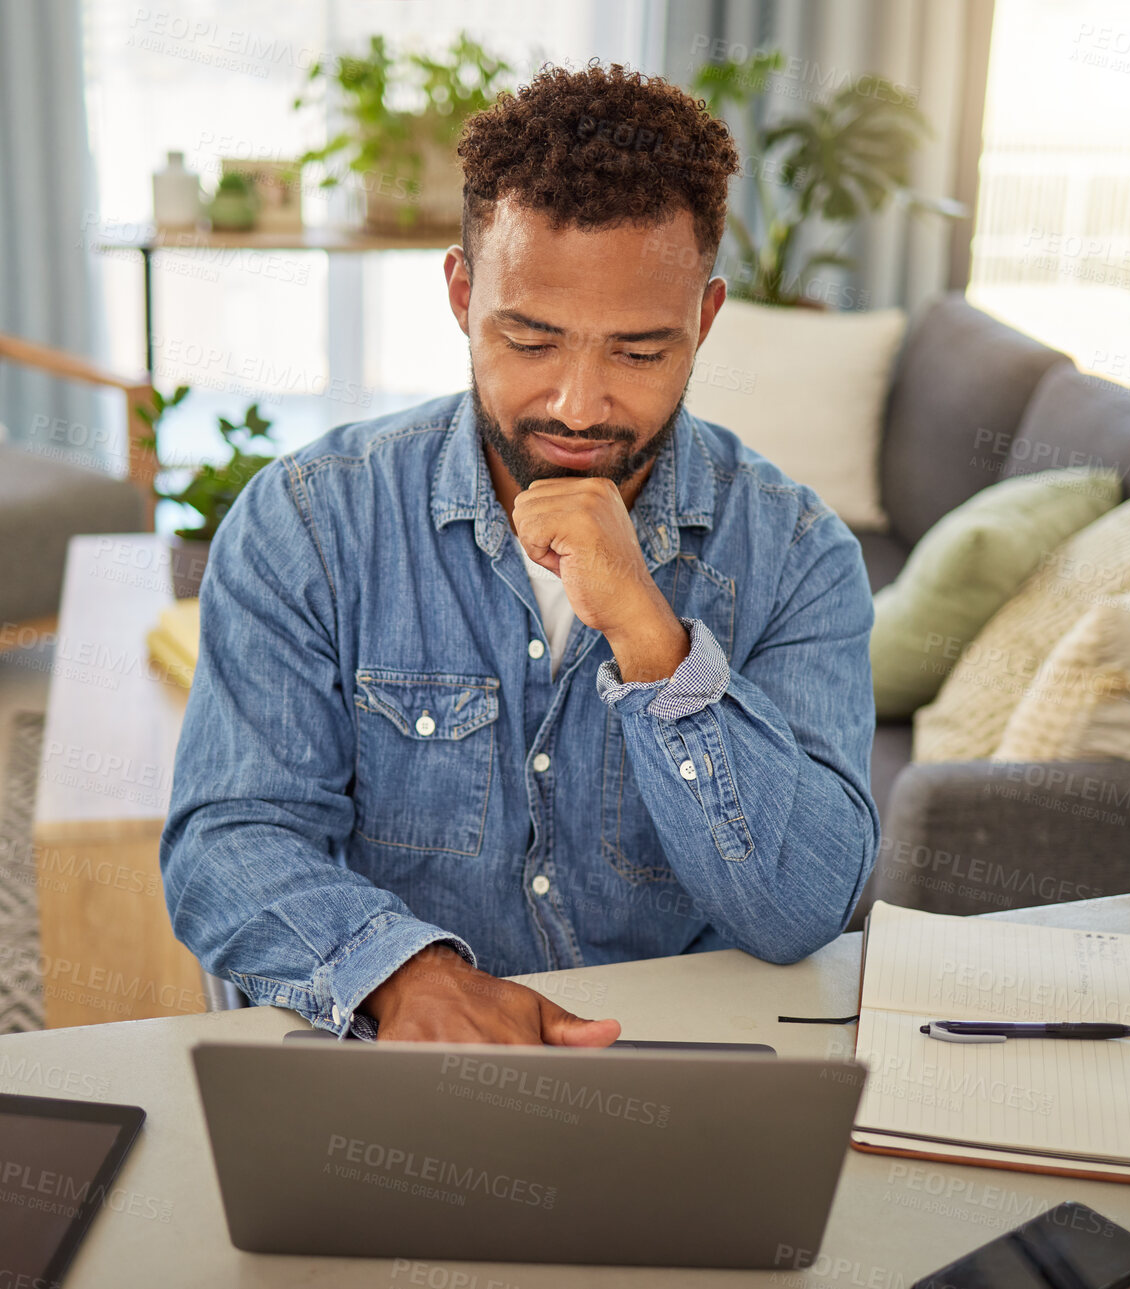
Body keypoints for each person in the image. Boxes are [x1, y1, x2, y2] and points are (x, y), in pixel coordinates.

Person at [159, 61, 879, 1045]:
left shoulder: (797, 556)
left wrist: (653, 643)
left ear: (704, 320)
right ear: (461, 294)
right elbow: (226, 842)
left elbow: (802, 907)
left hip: (673, 1079)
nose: (578, 406)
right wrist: (402, 972)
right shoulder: (307, 520)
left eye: (637, 350)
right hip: (396, 1067)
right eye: (530, 340)